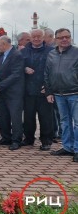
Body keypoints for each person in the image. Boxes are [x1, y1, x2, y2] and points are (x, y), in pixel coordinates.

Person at [44, 28, 78, 162]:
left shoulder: (76, 52)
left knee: (77, 123)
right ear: (55, 40)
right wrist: (48, 92)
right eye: (61, 37)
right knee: (64, 122)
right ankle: (67, 147)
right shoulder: (51, 54)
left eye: (67, 37)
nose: (64, 39)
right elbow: (46, 74)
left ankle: (77, 149)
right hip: (58, 94)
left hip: (75, 93)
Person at [20, 29, 54, 150]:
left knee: (45, 117)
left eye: (39, 36)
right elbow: (17, 66)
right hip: (28, 90)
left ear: (43, 37)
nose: (36, 39)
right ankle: (29, 138)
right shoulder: (23, 51)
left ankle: (46, 140)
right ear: (30, 37)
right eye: (34, 37)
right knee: (28, 117)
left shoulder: (50, 51)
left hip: (44, 89)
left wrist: (49, 87)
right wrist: (24, 68)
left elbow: (53, 69)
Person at [0, 35, 25, 151]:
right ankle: (6, 137)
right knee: (3, 116)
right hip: (2, 92)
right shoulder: (0, 55)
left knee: (15, 117)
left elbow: (15, 75)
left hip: (13, 92)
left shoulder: (17, 55)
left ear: (4, 44)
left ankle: (16, 140)